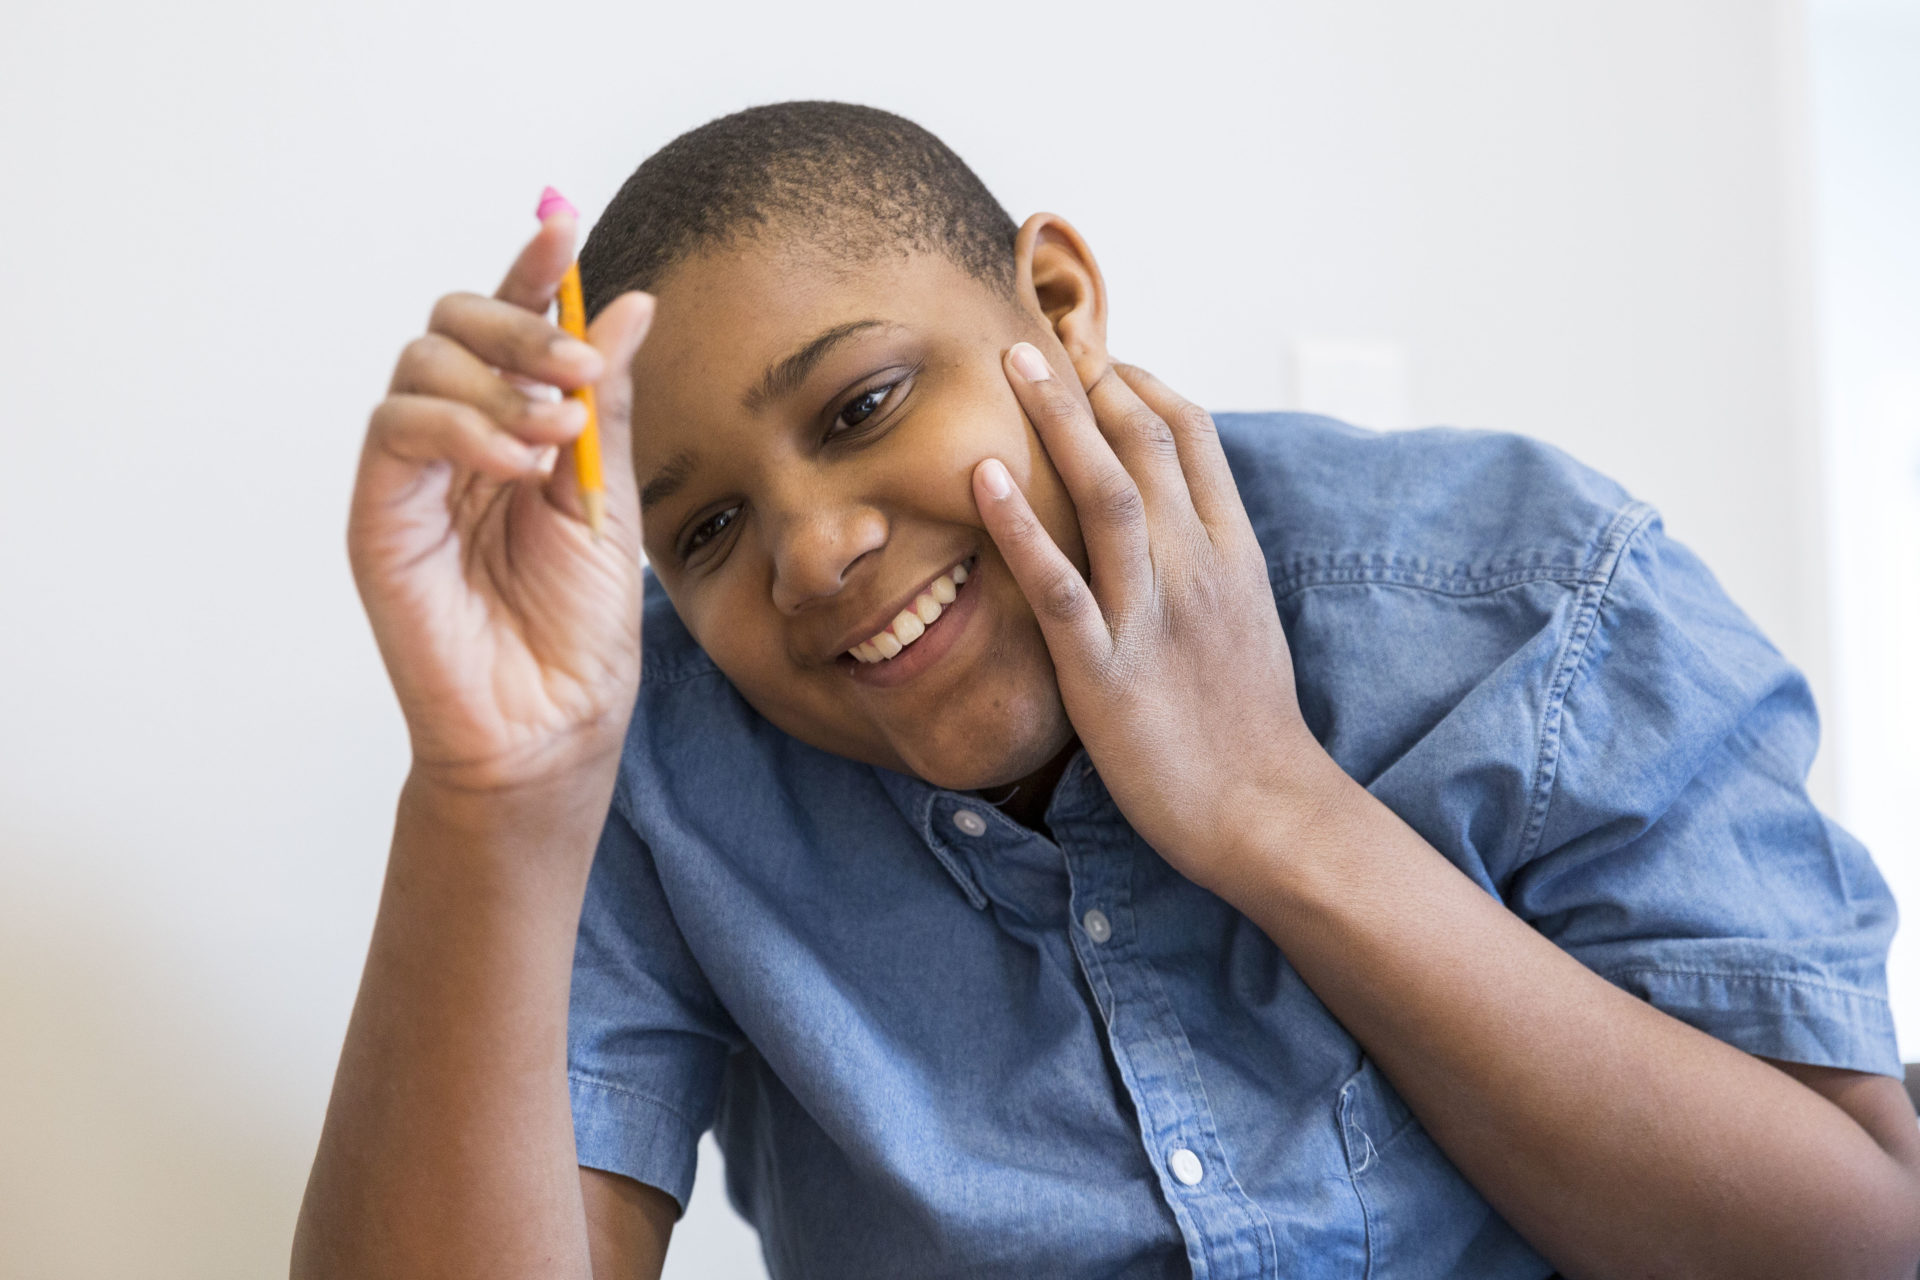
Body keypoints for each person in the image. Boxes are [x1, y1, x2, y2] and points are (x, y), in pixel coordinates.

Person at [293, 102, 1920, 1279]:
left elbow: (1858, 1244)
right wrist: (488, 794)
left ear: (1056, 307)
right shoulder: (653, 777)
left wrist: (1266, 808)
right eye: (706, 529)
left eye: (861, 405)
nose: (812, 553)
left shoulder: (1519, 594)